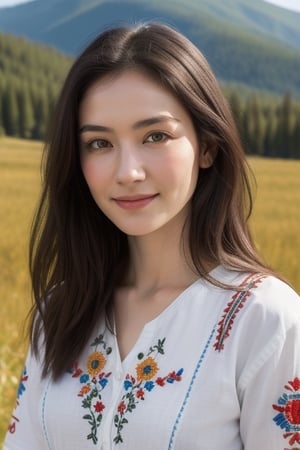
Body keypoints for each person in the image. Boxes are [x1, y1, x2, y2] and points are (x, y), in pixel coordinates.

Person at [4, 21, 300, 450]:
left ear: (208, 146)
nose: (128, 172)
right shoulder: (59, 313)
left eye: (155, 136)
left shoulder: (267, 322)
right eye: (100, 144)